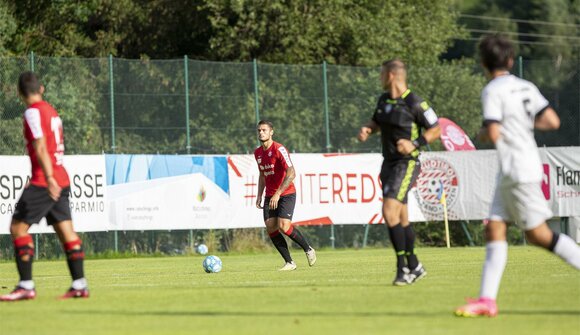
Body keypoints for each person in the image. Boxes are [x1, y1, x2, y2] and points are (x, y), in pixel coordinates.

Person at [455, 35, 580, 317]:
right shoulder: (525, 86)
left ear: (483, 63)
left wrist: (484, 133)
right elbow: (552, 121)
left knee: (539, 235)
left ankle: (487, 301)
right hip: (518, 168)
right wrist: (520, 123)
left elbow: (495, 132)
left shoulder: (492, 90)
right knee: (495, 228)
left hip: (517, 169)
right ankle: (487, 301)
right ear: (510, 61)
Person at [0, 72, 89, 302]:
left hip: (44, 180)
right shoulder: (52, 111)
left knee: (18, 228)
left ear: (19, 93)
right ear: (42, 88)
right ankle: (79, 284)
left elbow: (40, 146)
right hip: (62, 177)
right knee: (66, 232)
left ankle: (26, 285)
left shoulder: (32, 112)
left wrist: (48, 178)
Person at [358, 59, 441, 285]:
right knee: (402, 218)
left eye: (382, 73)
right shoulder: (383, 99)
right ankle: (415, 265)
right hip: (388, 163)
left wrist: (415, 143)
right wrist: (368, 129)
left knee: (389, 211)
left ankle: (402, 268)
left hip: (407, 163)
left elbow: (436, 128)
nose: (380, 77)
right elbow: (376, 121)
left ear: (392, 75)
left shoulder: (414, 102)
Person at [254, 120, 316, 271]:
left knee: (284, 226)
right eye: (259, 130)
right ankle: (290, 262)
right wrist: (259, 195)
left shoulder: (279, 149)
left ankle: (308, 249)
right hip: (270, 195)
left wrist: (278, 193)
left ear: (271, 132)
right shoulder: (258, 153)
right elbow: (262, 175)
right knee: (270, 227)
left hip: (286, 193)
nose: (261, 133)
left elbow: (292, 172)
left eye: (264, 130)